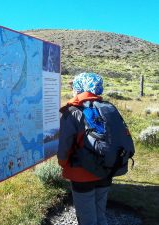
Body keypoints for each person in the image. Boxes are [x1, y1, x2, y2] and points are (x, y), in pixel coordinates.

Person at [57, 72, 112, 225]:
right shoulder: (107, 108)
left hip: (81, 173)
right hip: (106, 170)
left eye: (75, 86)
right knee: (100, 214)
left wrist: (62, 163)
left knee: (87, 218)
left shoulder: (72, 112)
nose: (73, 89)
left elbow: (64, 148)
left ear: (80, 88)